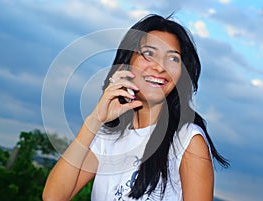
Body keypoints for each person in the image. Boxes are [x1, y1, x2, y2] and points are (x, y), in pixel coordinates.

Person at [42, 14, 229, 201]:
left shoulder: (188, 140)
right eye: (149, 54)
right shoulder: (108, 137)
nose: (159, 67)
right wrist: (95, 120)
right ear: (126, 63)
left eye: (173, 58)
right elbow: (54, 197)